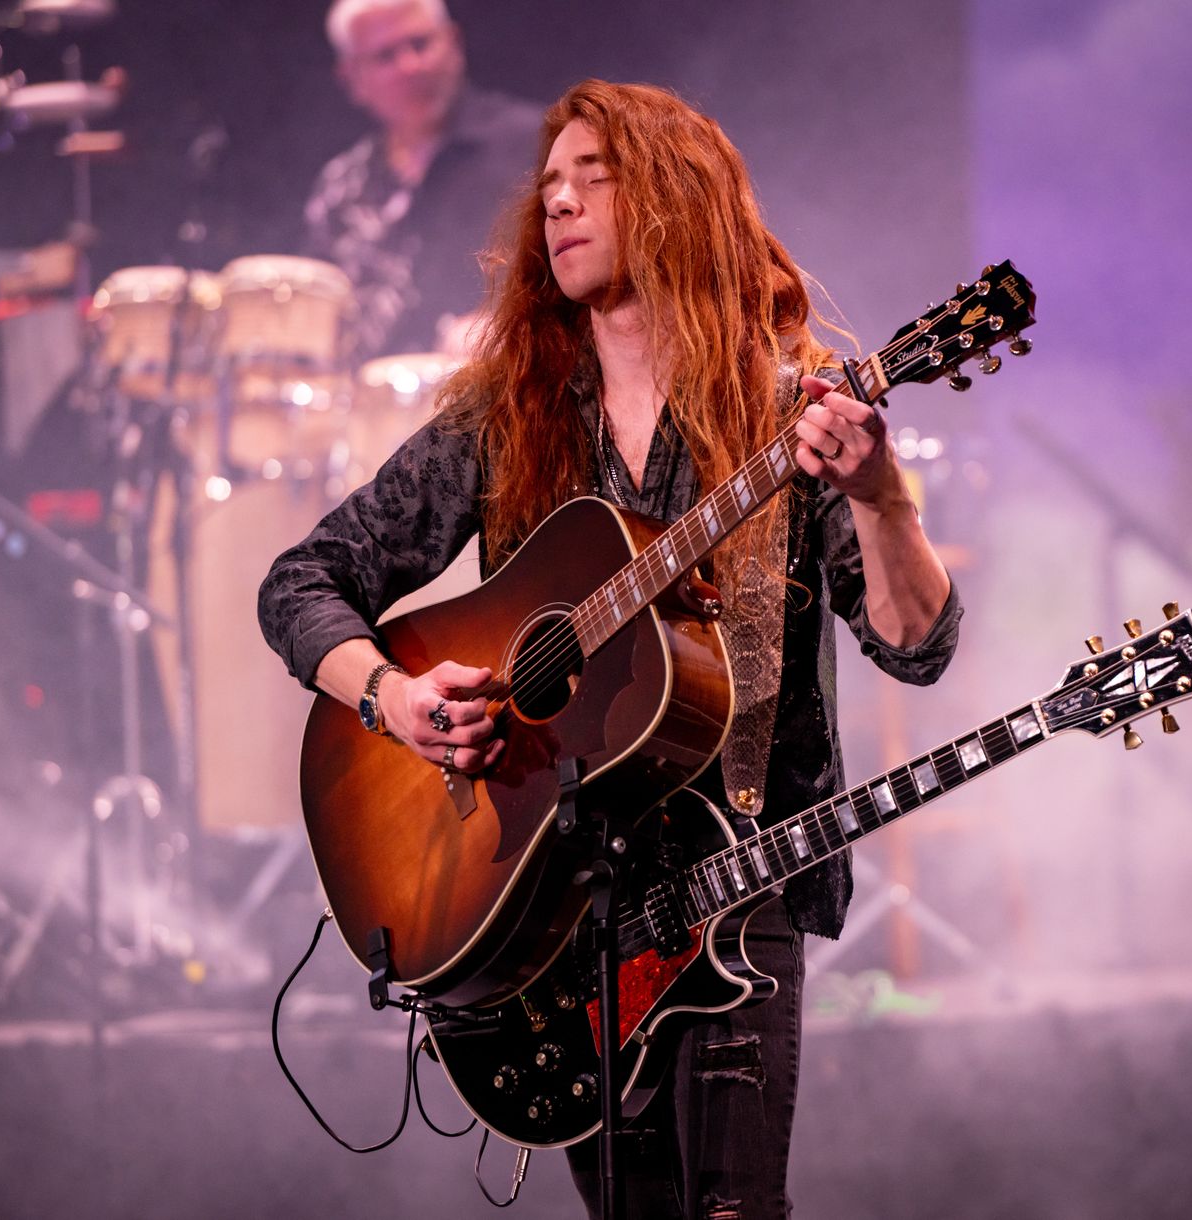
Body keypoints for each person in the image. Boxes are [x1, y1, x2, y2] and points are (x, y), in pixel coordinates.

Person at [260, 80, 962, 1218]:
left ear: (679, 200)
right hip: (557, 911)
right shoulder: (508, 420)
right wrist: (391, 696)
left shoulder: (790, 419)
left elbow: (915, 648)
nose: (559, 204)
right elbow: (300, 582)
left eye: (597, 178)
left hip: (735, 889)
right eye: (550, 185)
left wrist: (882, 497)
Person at [306, 0, 541, 357]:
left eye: (420, 44)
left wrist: (510, 325)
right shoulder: (343, 186)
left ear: (454, 43)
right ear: (352, 79)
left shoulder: (538, 146)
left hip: (501, 384)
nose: (410, 66)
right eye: (385, 56)